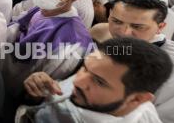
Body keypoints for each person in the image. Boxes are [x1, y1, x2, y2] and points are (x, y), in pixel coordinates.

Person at [2, 0, 92, 121]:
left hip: (17, 98)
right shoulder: (40, 9)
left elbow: (43, 85)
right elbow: (14, 29)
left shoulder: (73, 39)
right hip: (3, 81)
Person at [22, 38, 172, 123]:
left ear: (137, 99)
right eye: (85, 68)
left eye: (99, 82)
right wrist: (38, 93)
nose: (78, 81)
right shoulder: (96, 77)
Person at [89, 0, 174, 122]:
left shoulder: (170, 69)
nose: (124, 32)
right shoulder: (102, 33)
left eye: (137, 26)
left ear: (160, 27)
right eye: (117, 21)